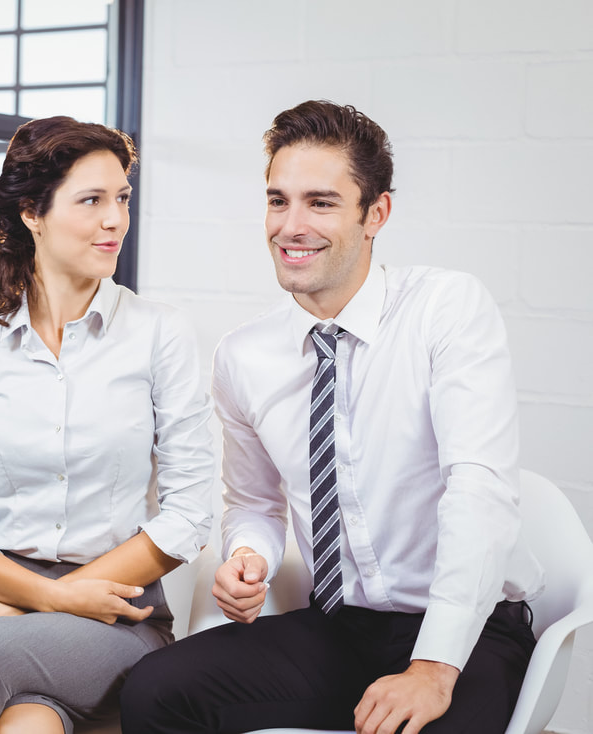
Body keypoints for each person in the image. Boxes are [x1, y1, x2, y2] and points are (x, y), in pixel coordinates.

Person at [121, 100, 546, 734]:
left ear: (376, 214)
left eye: (320, 203)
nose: (291, 226)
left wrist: (432, 668)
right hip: (340, 628)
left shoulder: (446, 309)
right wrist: (249, 555)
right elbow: (255, 502)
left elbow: (479, 491)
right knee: (155, 691)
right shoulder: (243, 355)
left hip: (466, 631)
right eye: (277, 200)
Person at [0, 116, 216, 734]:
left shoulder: (161, 333)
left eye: (122, 199)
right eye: (92, 201)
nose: (116, 220)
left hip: (120, 614)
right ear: (32, 212)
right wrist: (44, 599)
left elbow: (189, 515)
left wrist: (51, 600)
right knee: (30, 723)